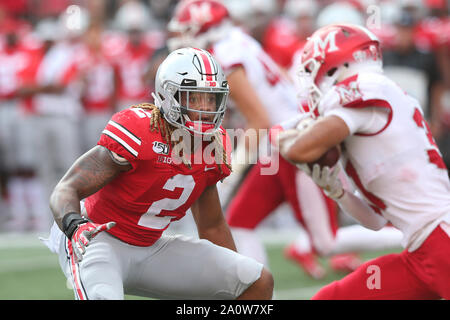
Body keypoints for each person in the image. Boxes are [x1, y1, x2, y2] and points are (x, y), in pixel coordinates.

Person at [43, 47, 273, 300]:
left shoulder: (213, 147)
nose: (205, 108)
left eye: (211, 98)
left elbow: (212, 225)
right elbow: (66, 188)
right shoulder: (139, 130)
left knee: (254, 281)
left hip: (152, 247)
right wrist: (76, 226)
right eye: (194, 98)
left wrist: (231, 279)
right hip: (99, 241)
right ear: (169, 95)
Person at [167, 0, 358, 278]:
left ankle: (401, 237)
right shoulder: (236, 40)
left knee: (325, 243)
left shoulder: (224, 56)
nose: (181, 38)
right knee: (240, 222)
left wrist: (229, 173)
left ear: (208, 29)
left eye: (187, 31)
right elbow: (279, 83)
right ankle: (259, 294)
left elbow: (259, 121)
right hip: (282, 141)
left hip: (293, 144)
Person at [277, 23, 450, 299]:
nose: (310, 83)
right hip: (420, 253)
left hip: (442, 241)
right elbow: (375, 221)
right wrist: (337, 191)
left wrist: (283, 138)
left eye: (313, 70)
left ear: (335, 65)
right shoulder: (374, 103)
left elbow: (299, 149)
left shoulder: (363, 87)